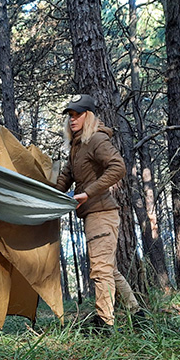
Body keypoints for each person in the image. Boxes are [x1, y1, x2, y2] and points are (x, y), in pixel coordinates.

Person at [55, 94, 142, 329]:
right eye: (70, 115)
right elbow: (66, 177)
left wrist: (89, 192)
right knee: (109, 269)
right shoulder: (77, 144)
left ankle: (105, 323)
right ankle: (138, 314)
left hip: (101, 213)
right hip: (93, 214)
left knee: (100, 270)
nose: (72, 120)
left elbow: (118, 167)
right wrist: (45, 194)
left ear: (89, 116)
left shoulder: (96, 140)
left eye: (78, 114)